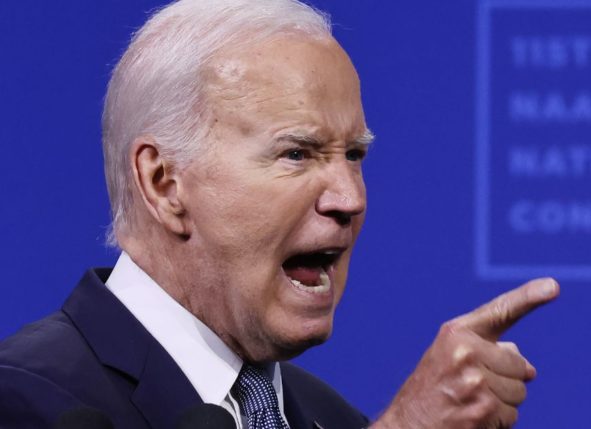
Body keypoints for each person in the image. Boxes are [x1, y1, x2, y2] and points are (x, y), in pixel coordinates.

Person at [0, 0, 560, 428]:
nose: (350, 197)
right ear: (164, 182)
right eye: (297, 153)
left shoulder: (327, 417)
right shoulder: (26, 400)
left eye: (355, 155)